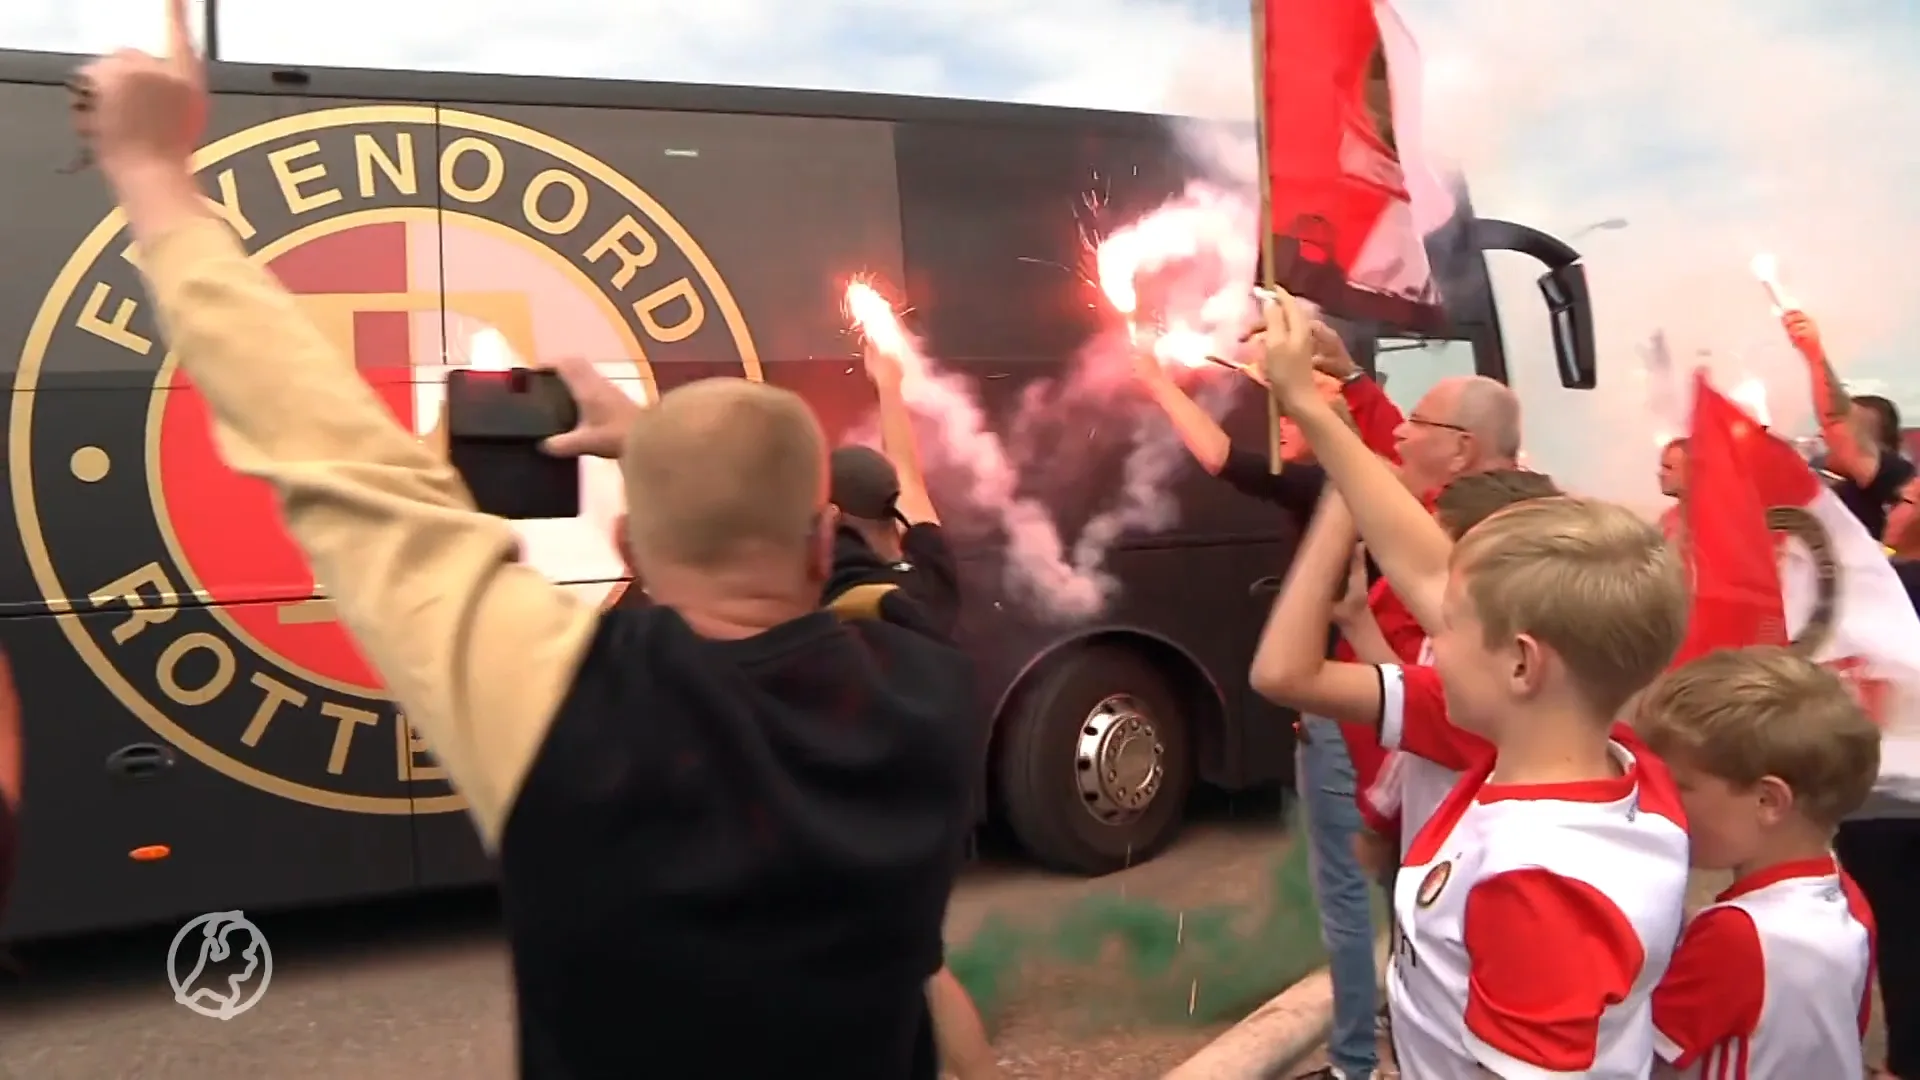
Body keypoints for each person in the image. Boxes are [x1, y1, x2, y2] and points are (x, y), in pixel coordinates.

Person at [73, 12, 983, 1078]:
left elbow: (324, 439)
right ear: (824, 532)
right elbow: (853, 575)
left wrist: (150, 170)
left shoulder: (563, 704)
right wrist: (666, 446)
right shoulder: (930, 694)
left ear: (634, 539)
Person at [1255, 287, 1693, 1078]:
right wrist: (1319, 414)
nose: (1424, 641)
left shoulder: (1544, 879)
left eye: (1448, 627)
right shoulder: (1615, 759)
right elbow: (1425, 563)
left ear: (1524, 663)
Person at [1135, 328, 1406, 1080]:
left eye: (1298, 405)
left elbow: (1222, 458)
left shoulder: (1331, 486)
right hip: (1386, 702)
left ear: (1334, 409)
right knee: (1396, 880)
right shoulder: (1387, 483)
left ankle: (1354, 1062)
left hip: (1340, 714)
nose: (1282, 419)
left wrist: (1156, 381)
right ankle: (1400, 1018)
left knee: (1346, 899)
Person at [1250, 468, 1564, 870]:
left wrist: (1343, 500)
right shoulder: (1528, 684)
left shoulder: (1478, 696)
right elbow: (1424, 701)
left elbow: (1280, 674)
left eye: (1433, 559)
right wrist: (1358, 620)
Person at [1628, 647, 1879, 1079]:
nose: (1658, 800)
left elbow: (1638, 1059)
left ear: (1768, 801)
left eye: (1680, 786)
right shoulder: (1847, 900)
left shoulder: (1737, 935)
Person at [1840, 476, 1920, 1080]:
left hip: (1892, 793)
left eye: (1905, 501)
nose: (1891, 509)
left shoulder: (1888, 592)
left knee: (1898, 932)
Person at [1783, 309, 1915, 539]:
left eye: (1835, 438)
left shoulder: (1897, 480)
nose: (1824, 438)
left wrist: (1814, 355)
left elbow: (1836, 418)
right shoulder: (1839, 487)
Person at [1657, 437, 1687, 544]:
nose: (1660, 474)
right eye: (1662, 467)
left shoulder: (1715, 523)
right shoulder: (1667, 519)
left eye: (1668, 468)